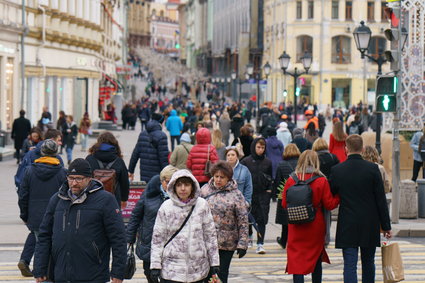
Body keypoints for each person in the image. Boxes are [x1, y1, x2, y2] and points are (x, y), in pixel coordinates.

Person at [33, 158, 127, 283]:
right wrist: (40, 269)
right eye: (71, 178)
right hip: (61, 274)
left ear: (89, 178)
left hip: (93, 275)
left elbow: (118, 238)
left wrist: (118, 272)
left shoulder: (106, 200)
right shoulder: (56, 200)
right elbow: (44, 236)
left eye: (79, 179)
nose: (74, 183)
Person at [329, 135, 392, 282]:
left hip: (348, 223)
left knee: (350, 265)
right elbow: (380, 200)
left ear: (346, 149)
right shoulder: (373, 169)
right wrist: (386, 226)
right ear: (362, 149)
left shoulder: (337, 170)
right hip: (369, 223)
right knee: (368, 262)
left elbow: (331, 194)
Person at [149, 169, 220, 283]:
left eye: (186, 185)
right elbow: (158, 239)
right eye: (179, 185)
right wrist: (155, 265)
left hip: (198, 270)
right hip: (172, 271)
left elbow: (210, 236)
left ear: (193, 186)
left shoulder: (202, 205)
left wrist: (214, 262)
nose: (183, 188)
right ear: (173, 187)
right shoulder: (166, 207)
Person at [282, 150, 340, 283]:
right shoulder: (321, 180)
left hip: (295, 225)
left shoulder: (291, 180)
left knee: (296, 260)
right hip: (315, 225)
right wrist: (339, 196)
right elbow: (330, 204)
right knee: (316, 258)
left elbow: (285, 204)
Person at [17, 140, 67, 277]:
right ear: (56, 153)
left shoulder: (29, 171)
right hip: (57, 216)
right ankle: (51, 274)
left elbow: (23, 196)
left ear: (42, 153)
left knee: (41, 246)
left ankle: (41, 274)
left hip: (36, 216)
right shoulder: (63, 173)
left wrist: (24, 215)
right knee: (55, 247)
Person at [126, 165, 179, 283]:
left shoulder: (180, 198)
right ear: (161, 181)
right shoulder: (149, 194)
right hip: (149, 242)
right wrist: (130, 238)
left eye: (174, 182)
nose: (170, 185)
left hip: (172, 245)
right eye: (167, 181)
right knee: (150, 274)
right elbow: (136, 215)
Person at [200, 161, 249, 283]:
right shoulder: (204, 191)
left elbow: (243, 220)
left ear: (228, 178)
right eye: (216, 176)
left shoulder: (236, 195)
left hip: (227, 244)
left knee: (221, 274)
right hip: (206, 241)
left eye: (222, 177)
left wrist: (242, 244)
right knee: (205, 274)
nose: (218, 180)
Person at [240, 138, 273, 254]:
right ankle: (249, 238)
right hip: (249, 195)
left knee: (262, 219)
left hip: (263, 195)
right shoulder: (246, 161)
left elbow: (270, 177)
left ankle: (260, 243)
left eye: (262, 148)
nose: (260, 150)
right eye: (258, 147)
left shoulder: (267, 162)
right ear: (254, 147)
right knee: (247, 218)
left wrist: (269, 190)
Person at [86, 132, 130, 208]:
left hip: (93, 199)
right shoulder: (119, 161)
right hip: (114, 199)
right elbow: (125, 182)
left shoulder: (89, 159)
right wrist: (124, 199)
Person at [312, 138, 340, 246]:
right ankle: (326, 237)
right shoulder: (333, 157)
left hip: (317, 188)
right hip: (330, 189)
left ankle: (318, 236)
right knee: (327, 214)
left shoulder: (314, 158)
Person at [274, 144, 301, 249]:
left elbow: (278, 182)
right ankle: (295, 240)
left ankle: (284, 240)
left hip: (285, 193)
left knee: (285, 222)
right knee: (297, 219)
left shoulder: (281, 165)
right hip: (299, 194)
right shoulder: (300, 164)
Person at [128, 113, 169, 183]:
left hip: (144, 173)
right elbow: (163, 159)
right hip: (157, 175)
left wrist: (131, 170)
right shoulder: (162, 136)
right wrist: (167, 175)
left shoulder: (142, 134)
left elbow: (135, 154)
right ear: (161, 123)